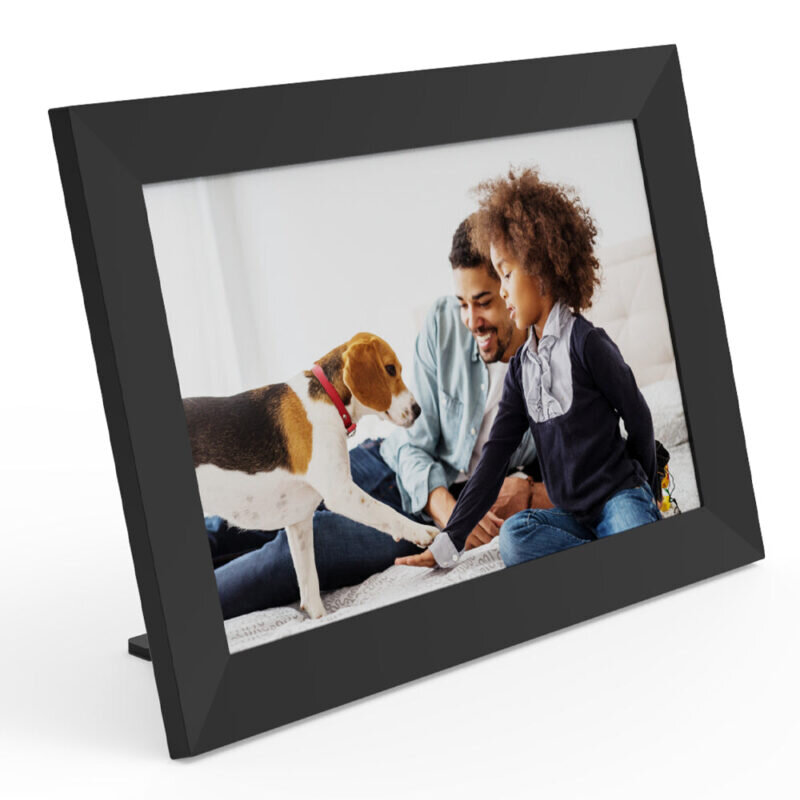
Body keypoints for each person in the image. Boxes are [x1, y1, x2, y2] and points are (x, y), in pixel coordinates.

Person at [207, 216, 551, 618]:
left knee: (297, 549)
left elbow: (590, 471)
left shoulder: (556, 362)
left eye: (484, 302)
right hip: (389, 462)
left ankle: (184, 613)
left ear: (514, 284)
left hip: (420, 513)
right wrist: (446, 508)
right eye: (463, 303)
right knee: (231, 521)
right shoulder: (444, 323)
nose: (470, 321)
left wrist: (526, 492)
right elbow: (415, 443)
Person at [396, 168, 662, 571]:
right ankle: (604, 546)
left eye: (505, 274)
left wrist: (646, 485)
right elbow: (494, 459)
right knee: (515, 537)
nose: (502, 291)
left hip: (617, 498)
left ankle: (626, 533)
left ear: (540, 269)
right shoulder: (521, 369)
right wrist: (450, 542)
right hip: (573, 517)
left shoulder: (587, 343)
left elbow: (638, 416)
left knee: (632, 530)